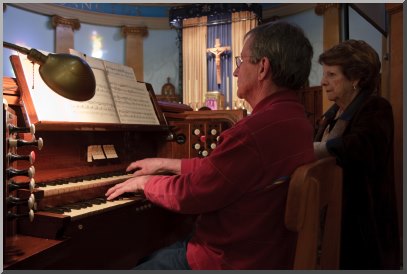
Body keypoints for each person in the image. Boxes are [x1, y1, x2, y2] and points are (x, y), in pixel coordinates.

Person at [105, 21, 315, 270]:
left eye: (241, 61)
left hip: (229, 259)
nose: (235, 72)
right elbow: (226, 171)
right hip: (265, 251)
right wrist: (166, 163)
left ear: (262, 68)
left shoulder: (253, 131)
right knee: (146, 254)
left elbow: (192, 194)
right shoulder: (295, 120)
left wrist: (145, 183)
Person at [313, 39, 400, 269]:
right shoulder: (331, 114)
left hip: (363, 225)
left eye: (331, 75)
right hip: (333, 218)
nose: (323, 82)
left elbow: (359, 147)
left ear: (356, 79)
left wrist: (313, 149)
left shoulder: (377, 108)